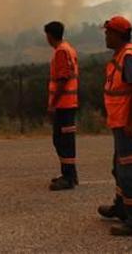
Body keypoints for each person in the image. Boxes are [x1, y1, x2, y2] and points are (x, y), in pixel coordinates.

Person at [98, 16, 132, 236]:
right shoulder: (122, 55)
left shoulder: (129, 56)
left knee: (130, 171)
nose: (105, 36)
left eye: (108, 32)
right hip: (122, 122)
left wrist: (131, 121)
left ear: (118, 34)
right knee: (119, 167)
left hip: (129, 124)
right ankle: (122, 207)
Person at [44, 21, 80, 191]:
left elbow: (63, 78)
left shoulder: (61, 51)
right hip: (67, 104)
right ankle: (70, 174)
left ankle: (68, 177)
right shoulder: (68, 49)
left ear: (50, 36)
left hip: (64, 105)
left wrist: (53, 103)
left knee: (62, 140)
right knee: (63, 140)